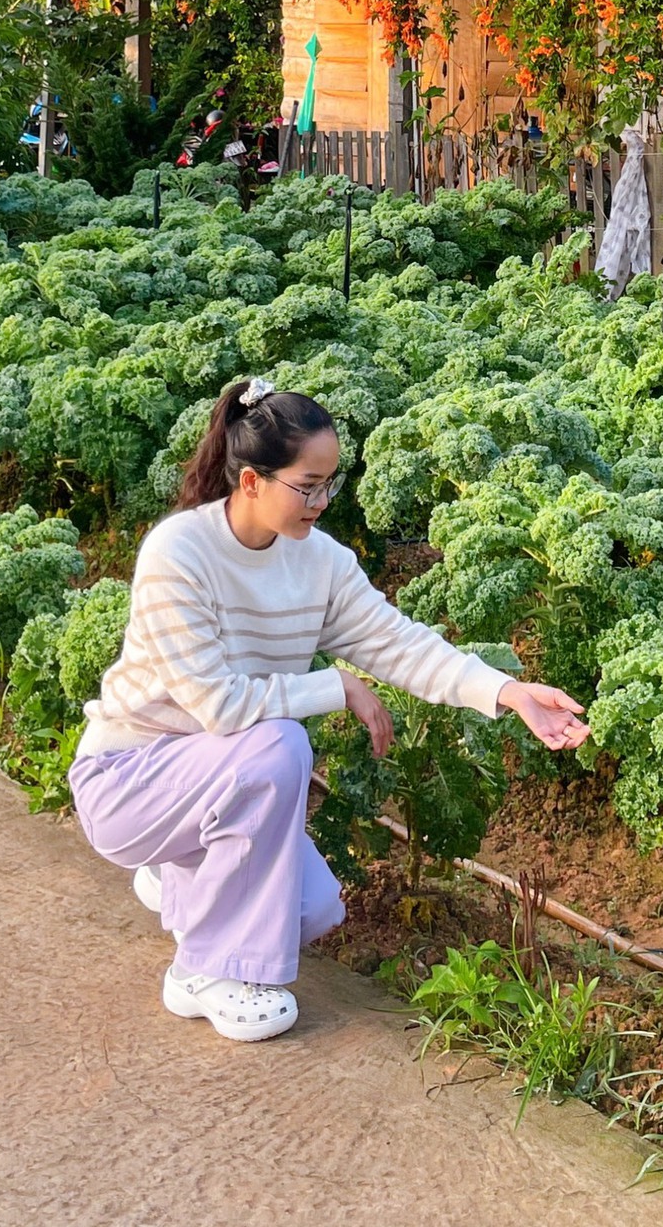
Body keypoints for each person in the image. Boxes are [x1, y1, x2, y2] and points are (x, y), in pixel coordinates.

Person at [70, 376, 589, 1042]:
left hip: (211, 781)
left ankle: (184, 877)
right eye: (307, 486)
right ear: (252, 481)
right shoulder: (181, 553)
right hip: (129, 780)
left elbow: (400, 645)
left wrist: (509, 693)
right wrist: (334, 686)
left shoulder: (320, 563)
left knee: (310, 909)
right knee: (279, 743)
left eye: (329, 484)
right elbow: (220, 707)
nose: (320, 502)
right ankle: (200, 971)